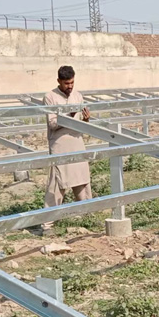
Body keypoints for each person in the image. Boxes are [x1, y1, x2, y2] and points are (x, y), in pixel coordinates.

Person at [41, 65, 92, 236]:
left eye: (71, 83)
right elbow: (52, 124)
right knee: (58, 182)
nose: (69, 86)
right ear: (59, 81)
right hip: (60, 144)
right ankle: (47, 224)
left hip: (77, 141)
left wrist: (86, 119)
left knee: (82, 178)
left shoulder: (78, 95)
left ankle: (87, 215)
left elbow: (83, 124)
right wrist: (69, 115)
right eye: (66, 83)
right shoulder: (50, 97)